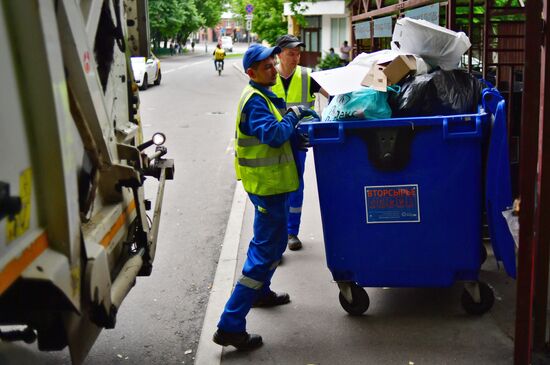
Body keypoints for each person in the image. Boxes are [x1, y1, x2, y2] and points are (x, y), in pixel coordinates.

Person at [212, 44, 319, 351]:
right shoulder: (255, 101)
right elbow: (273, 135)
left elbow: (277, 134)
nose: (274, 69)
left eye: (274, 63)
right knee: (264, 253)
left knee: (270, 247)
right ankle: (230, 325)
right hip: (268, 188)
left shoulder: (263, 96)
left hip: (272, 186)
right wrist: (295, 116)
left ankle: (261, 293)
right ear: (251, 73)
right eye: (268, 66)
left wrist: (294, 130)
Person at [272, 34, 328, 251]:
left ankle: (291, 232)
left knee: (295, 185)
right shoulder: (268, 76)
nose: (296, 58)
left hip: (298, 141)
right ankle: (276, 235)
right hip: (274, 141)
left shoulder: (307, 76)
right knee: (275, 188)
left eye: (298, 53)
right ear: (279, 55)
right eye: (290, 53)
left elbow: (332, 95)